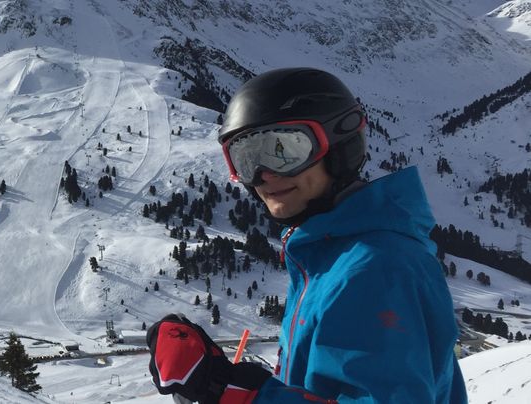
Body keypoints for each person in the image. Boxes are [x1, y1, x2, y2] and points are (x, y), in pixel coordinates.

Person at [146, 67, 467, 403]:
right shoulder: (329, 258)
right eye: (246, 159)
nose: (264, 176)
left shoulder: (376, 270)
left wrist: (235, 391)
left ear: (339, 146)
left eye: (284, 150)